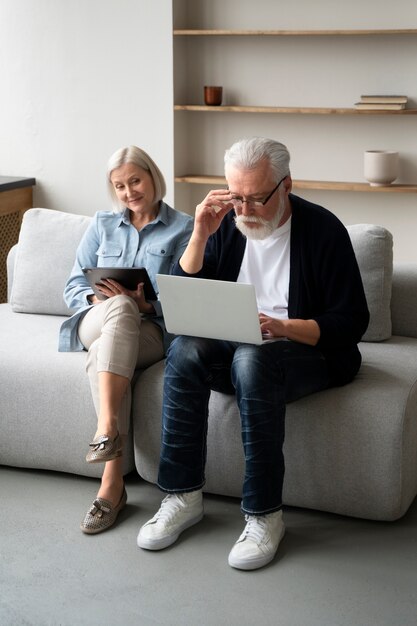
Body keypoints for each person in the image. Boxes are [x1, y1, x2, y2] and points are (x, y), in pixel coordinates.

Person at [136, 137, 369, 570]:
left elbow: (353, 321)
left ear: (286, 186)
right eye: (236, 197)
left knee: (253, 358)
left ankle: (264, 516)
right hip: (238, 344)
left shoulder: (323, 230)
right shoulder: (226, 223)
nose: (245, 211)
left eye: (257, 199)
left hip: (304, 350)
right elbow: (179, 295)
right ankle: (182, 496)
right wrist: (200, 234)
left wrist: (282, 327)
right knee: (185, 349)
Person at [59, 145, 193, 534]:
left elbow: (185, 297)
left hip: (149, 330)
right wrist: (97, 297)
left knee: (112, 340)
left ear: (153, 177)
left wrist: (147, 304)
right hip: (95, 319)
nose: (129, 191)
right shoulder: (101, 224)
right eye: (120, 186)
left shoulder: (183, 228)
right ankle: (108, 433)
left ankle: (111, 482)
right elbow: (71, 286)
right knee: (118, 309)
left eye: (135, 180)